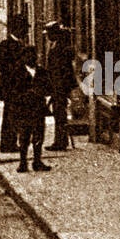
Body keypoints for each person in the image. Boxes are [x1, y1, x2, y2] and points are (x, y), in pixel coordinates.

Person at [4, 45, 52, 173]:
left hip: (38, 109)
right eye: (28, 55)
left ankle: (37, 161)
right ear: (23, 57)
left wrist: (43, 95)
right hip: (23, 110)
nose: (32, 58)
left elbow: (48, 87)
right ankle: (23, 162)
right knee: (24, 137)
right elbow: (12, 92)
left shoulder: (42, 72)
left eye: (33, 55)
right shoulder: (17, 73)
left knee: (38, 136)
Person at [44, 23, 78, 151]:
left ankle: (60, 142)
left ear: (54, 34)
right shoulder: (56, 45)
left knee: (60, 114)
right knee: (58, 113)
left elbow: (61, 71)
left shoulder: (61, 48)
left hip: (60, 86)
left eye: (49, 34)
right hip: (57, 86)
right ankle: (59, 140)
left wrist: (56, 88)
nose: (47, 36)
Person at [0, 34, 24, 153]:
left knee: (14, 116)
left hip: (16, 87)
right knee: (10, 116)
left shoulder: (19, 44)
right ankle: (7, 144)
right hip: (10, 87)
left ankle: (11, 142)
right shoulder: (6, 44)